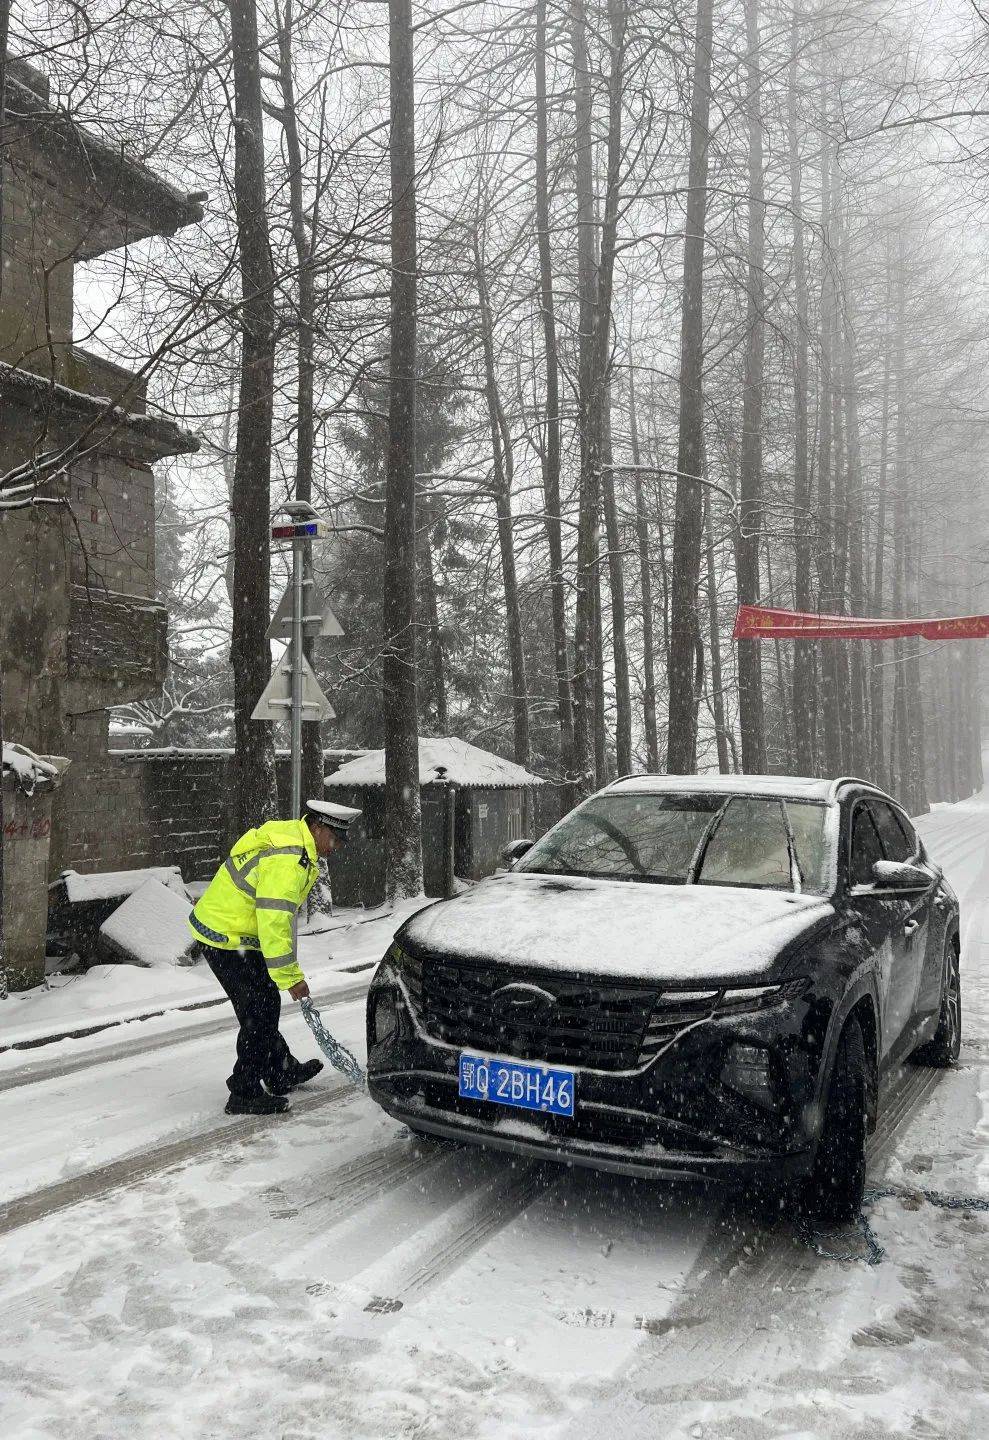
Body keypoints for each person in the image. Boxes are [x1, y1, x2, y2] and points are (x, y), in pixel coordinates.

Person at [188, 798, 362, 1115]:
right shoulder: (289, 861)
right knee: (261, 1006)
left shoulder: (296, 843)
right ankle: (244, 1090)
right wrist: (291, 978)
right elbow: (274, 922)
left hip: (235, 930)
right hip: (224, 934)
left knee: (262, 1004)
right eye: (335, 838)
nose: (336, 847)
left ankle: (280, 1070)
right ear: (317, 827)